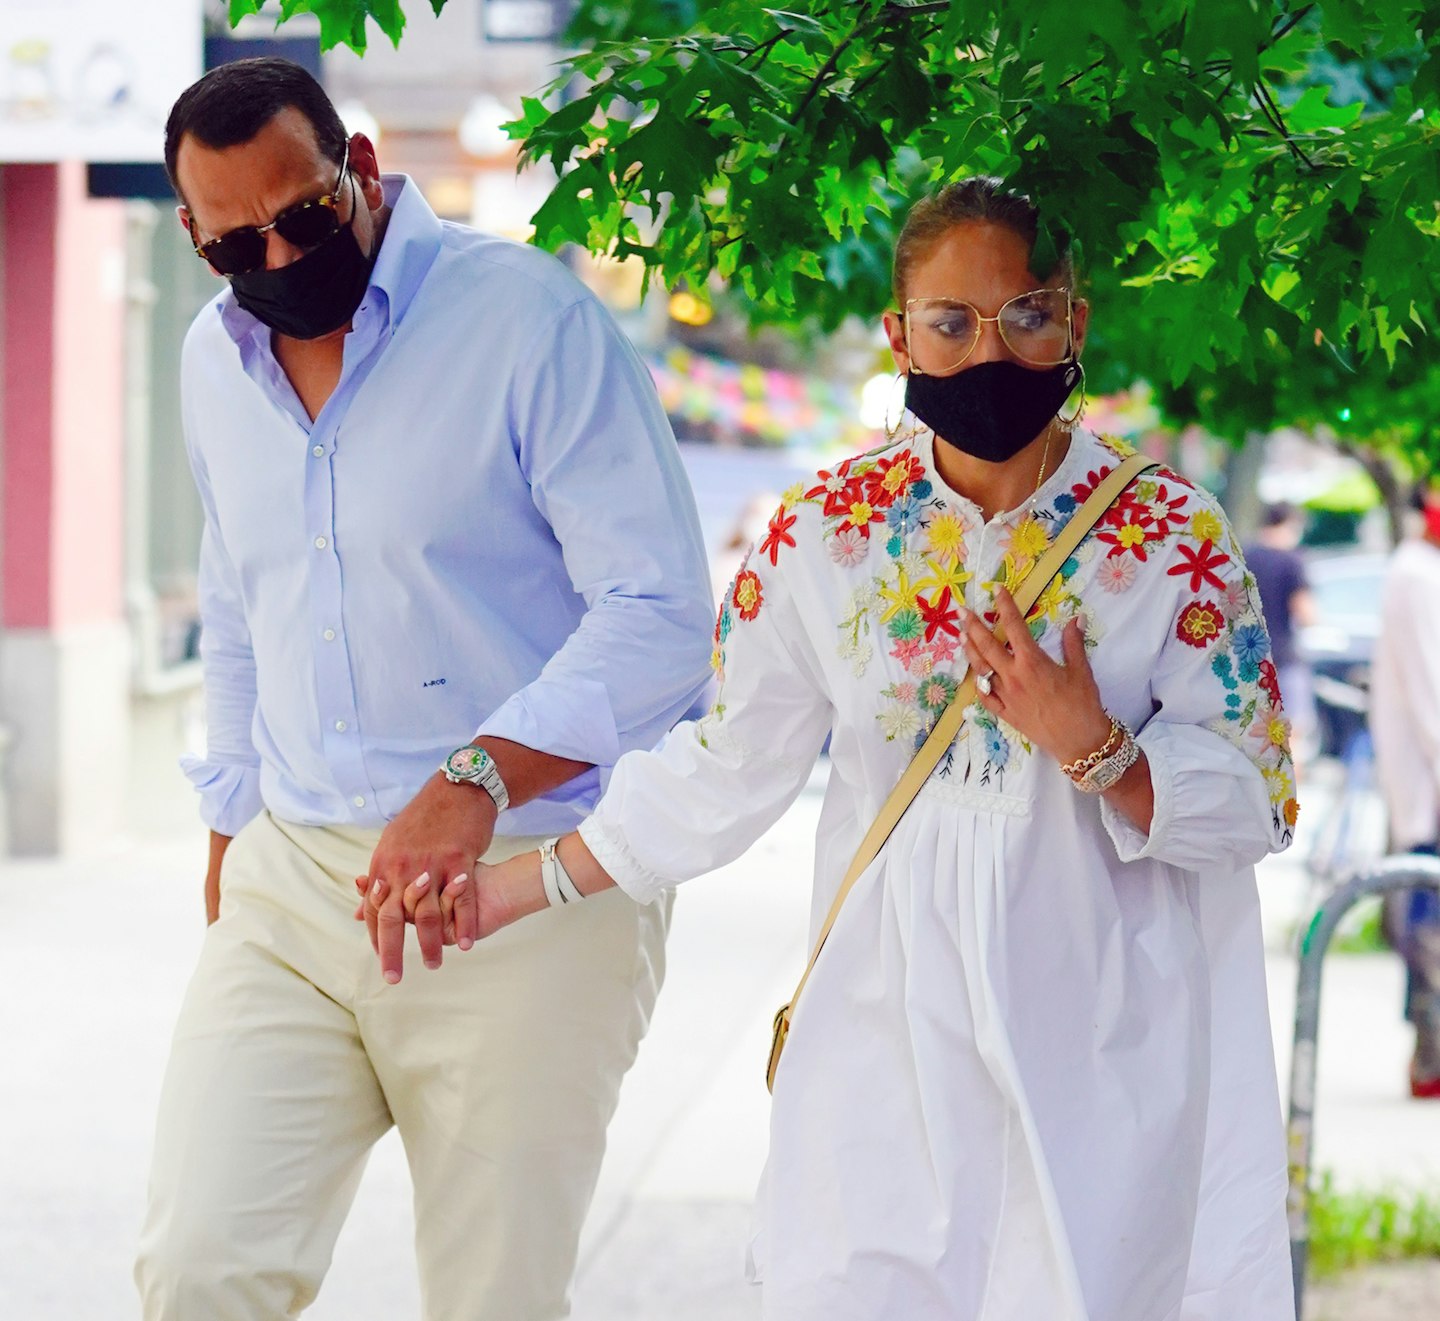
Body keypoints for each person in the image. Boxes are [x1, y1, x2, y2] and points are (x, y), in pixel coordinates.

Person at [367, 177, 1299, 1318]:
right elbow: (728, 762)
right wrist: (513, 889)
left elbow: (1257, 798)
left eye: (1026, 317)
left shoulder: (1173, 537)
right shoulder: (828, 530)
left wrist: (1096, 744)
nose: (987, 354)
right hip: (884, 1030)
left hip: (1103, 1044)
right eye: (951, 324)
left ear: (1076, 322)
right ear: (899, 335)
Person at [135, 58, 714, 1319]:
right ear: (193, 235)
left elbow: (664, 615)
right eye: (240, 243)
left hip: (525, 881)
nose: (282, 257)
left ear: (359, 160)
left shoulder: (528, 322)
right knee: (197, 1270)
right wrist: (231, 823)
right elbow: (238, 603)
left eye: (304, 213)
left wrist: (478, 774)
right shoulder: (205, 358)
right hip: (294, 887)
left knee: (491, 1298)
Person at [1371, 481, 1440, 1099]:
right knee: (1430, 933)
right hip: (1430, 795)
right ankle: (1429, 1060)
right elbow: (1431, 700)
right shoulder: (1417, 574)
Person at [1244, 501, 1318, 761]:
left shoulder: (1243, 556)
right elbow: (1306, 614)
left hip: (1246, 661)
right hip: (1284, 660)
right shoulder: (1291, 561)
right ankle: (1288, 799)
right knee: (1291, 739)